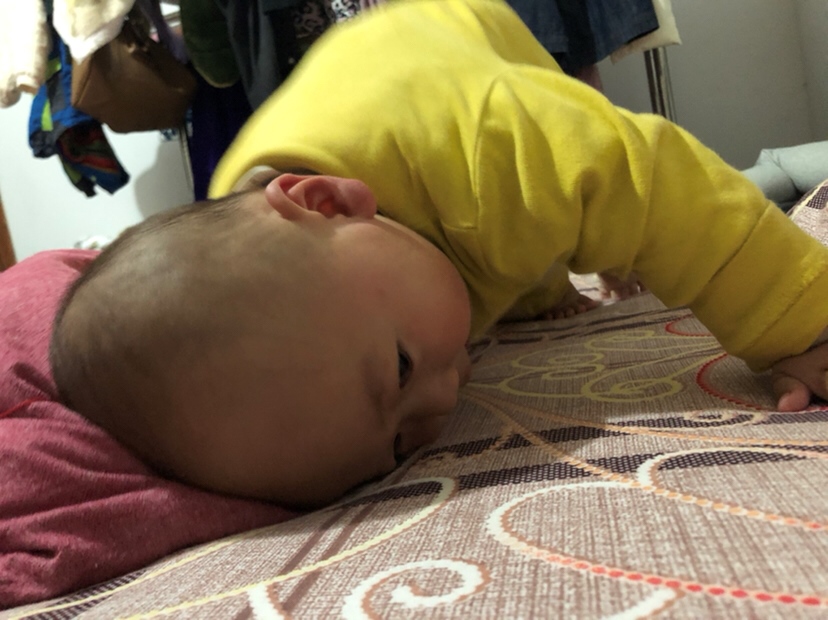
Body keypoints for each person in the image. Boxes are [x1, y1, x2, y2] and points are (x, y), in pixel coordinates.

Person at [50, 0, 828, 510]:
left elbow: (652, 175)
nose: (438, 404)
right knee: (480, 253)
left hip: (455, 35)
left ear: (329, 205)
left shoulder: (484, 136)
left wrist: (793, 323)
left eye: (398, 369)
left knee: (572, 179)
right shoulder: (251, 236)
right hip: (355, 117)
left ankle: (542, 271)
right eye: (396, 445)